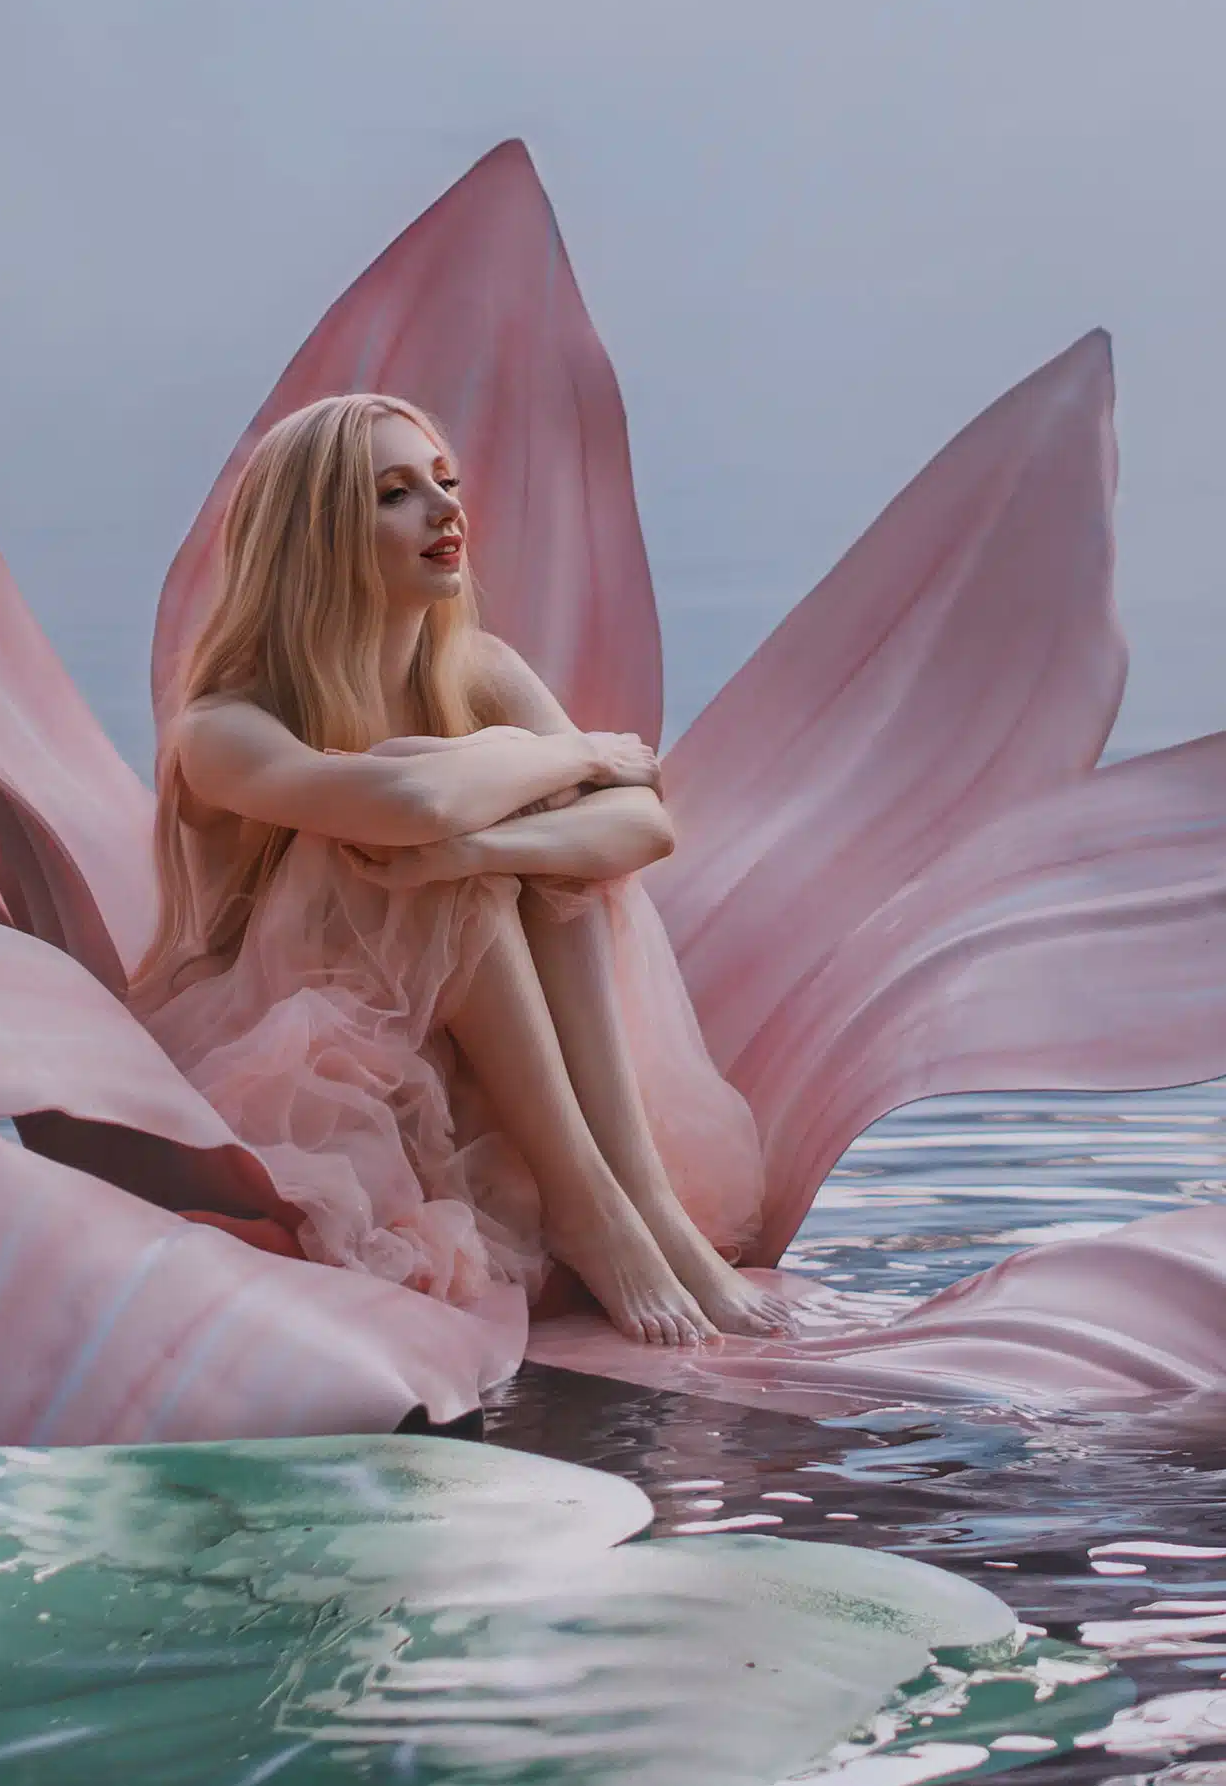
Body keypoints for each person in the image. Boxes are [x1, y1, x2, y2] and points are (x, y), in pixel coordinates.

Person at [145, 390, 781, 1347]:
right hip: (311, 1060)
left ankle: (642, 1197)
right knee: (418, 795)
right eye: (396, 495)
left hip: (494, 1043)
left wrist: (490, 846)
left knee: (530, 852)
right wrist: (580, 755)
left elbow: (642, 828)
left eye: (445, 483)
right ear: (308, 537)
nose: (447, 512)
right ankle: (592, 1210)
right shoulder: (225, 726)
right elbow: (414, 808)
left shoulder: (478, 670)